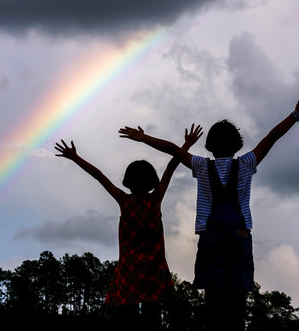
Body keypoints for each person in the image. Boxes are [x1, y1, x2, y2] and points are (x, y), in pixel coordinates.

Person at [119, 98, 299, 331]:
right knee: (236, 305)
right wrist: (295, 115)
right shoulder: (246, 164)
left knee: (213, 302)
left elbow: (172, 149)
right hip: (239, 238)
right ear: (237, 146)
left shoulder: (202, 166)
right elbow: (272, 137)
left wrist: (143, 138)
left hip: (211, 239)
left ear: (209, 146)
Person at [55, 124, 203, 330]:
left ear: (127, 181)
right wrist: (186, 144)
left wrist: (75, 157)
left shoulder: (123, 201)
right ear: (152, 180)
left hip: (128, 273)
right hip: (154, 272)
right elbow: (171, 166)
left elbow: (99, 176)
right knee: (153, 320)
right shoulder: (155, 199)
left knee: (126, 322)